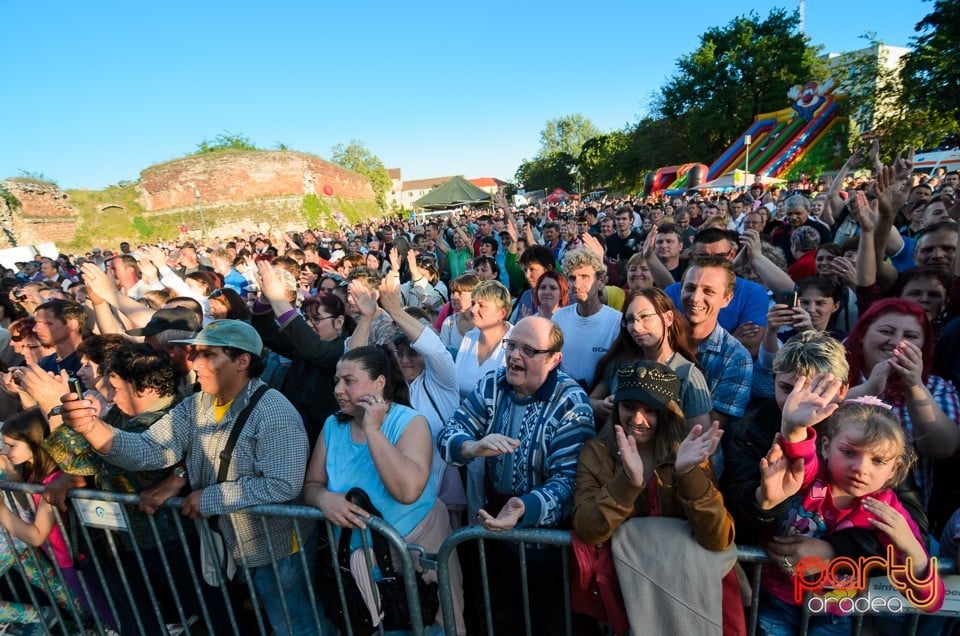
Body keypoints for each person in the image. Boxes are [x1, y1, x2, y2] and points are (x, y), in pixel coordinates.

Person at [57, 319, 317, 636]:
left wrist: (207, 498)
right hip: (234, 541)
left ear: (242, 361)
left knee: (293, 622)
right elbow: (148, 451)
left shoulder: (274, 412)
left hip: (276, 546)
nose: (193, 362)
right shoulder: (197, 404)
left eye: (207, 355)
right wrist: (90, 428)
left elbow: (283, 484)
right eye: (195, 353)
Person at [438, 316, 594, 635]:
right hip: (495, 539)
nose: (514, 356)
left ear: (554, 359)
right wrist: (470, 446)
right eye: (511, 345)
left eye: (528, 350)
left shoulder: (571, 403)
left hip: (547, 551)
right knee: (500, 621)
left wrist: (523, 508)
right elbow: (448, 432)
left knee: (549, 625)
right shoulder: (493, 383)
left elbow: (569, 483)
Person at [303, 346, 464, 634]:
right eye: (336, 381)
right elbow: (312, 486)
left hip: (415, 561)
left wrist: (374, 430)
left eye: (349, 381)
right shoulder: (332, 425)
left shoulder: (410, 423)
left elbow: (407, 491)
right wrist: (324, 499)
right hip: (361, 567)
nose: (339, 390)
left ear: (379, 383)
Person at [756, 388, 944, 633]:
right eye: (848, 452)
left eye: (878, 460)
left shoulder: (886, 511)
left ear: (895, 468)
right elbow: (801, 457)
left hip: (835, 615)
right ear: (825, 447)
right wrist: (793, 429)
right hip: (777, 603)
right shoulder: (813, 479)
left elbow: (931, 599)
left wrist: (910, 546)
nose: (860, 468)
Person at [571, 361, 734, 635]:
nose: (637, 419)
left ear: (668, 413)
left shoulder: (688, 453)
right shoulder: (596, 453)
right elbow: (587, 528)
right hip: (625, 590)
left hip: (684, 591)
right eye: (628, 407)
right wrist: (628, 483)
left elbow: (717, 537)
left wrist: (688, 474)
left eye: (649, 410)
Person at [0, 408, 115, 633]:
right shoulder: (35, 473)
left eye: (11, 445)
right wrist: (14, 477)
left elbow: (36, 534)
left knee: (106, 611)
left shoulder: (53, 480)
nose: (4, 450)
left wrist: (2, 510)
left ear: (34, 442)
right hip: (60, 557)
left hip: (71, 559)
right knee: (94, 608)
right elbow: (29, 508)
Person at [844, 298, 960, 508]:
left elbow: (943, 448)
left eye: (910, 336)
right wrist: (868, 390)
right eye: (887, 331)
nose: (898, 342)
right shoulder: (837, 379)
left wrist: (914, 386)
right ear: (862, 335)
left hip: (903, 516)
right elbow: (815, 423)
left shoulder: (936, 388)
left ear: (923, 346)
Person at [251, 260, 354, 448]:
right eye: (306, 318)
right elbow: (267, 334)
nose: (309, 324)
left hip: (325, 439)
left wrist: (278, 298)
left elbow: (315, 351)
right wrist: (266, 299)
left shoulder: (343, 351)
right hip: (292, 433)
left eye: (317, 319)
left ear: (339, 322)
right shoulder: (303, 347)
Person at [591, 289, 712, 429]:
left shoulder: (688, 375)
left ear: (668, 318)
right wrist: (602, 406)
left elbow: (701, 439)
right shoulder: (620, 363)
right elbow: (591, 400)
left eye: (645, 317)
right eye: (630, 320)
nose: (636, 327)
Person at [551, 249, 622, 389]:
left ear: (601, 281)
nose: (577, 285)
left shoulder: (616, 321)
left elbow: (614, 372)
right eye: (572, 278)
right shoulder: (559, 317)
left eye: (584, 277)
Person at [454, 280, 512, 399]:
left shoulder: (515, 341)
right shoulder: (469, 337)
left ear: (501, 313)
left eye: (481, 305)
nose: (473, 310)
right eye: (473, 303)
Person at [438, 273, 481, 356]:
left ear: (475, 295)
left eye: (460, 293)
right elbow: (443, 356)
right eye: (453, 292)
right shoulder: (449, 323)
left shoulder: (484, 324)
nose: (454, 297)